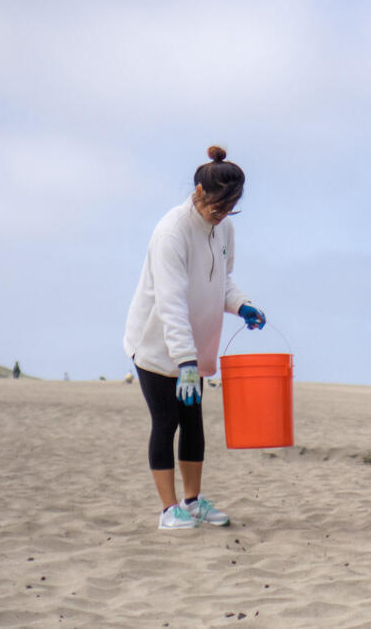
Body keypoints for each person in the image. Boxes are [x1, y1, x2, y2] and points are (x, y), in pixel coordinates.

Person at [123, 146, 266, 530]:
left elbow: (221, 281)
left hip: (195, 347)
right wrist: (185, 361)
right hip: (156, 346)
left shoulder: (224, 227)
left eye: (230, 209)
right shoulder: (171, 232)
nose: (221, 215)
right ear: (199, 193)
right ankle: (169, 509)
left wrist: (242, 305)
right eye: (217, 207)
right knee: (166, 422)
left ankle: (193, 500)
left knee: (194, 423)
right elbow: (170, 303)